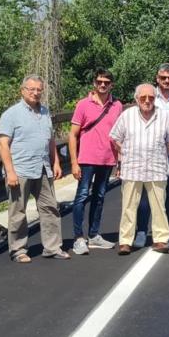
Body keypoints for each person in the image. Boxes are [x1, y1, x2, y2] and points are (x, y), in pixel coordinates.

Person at [0, 75, 70, 263]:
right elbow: (3, 144)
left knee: (50, 207)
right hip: (20, 169)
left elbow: (51, 140)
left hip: (43, 167)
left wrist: (55, 162)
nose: (36, 93)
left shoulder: (45, 113)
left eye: (39, 90)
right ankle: (18, 249)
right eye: (32, 89)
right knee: (18, 212)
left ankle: (53, 247)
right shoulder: (11, 115)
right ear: (23, 90)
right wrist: (10, 171)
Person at [109, 83, 169, 255]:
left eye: (151, 97)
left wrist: (159, 154)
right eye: (143, 98)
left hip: (156, 168)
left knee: (158, 207)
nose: (147, 101)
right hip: (132, 167)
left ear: (155, 98)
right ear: (136, 99)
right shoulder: (127, 116)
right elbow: (114, 138)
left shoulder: (164, 117)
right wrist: (125, 152)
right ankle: (126, 241)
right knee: (128, 206)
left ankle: (160, 239)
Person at [135, 63, 169, 248]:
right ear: (157, 78)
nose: (167, 81)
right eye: (163, 77)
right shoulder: (149, 97)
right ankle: (142, 231)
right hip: (150, 155)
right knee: (146, 196)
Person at [68, 68, 122, 255]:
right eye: (99, 81)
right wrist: (74, 163)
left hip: (107, 159)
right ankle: (78, 238)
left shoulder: (117, 106)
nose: (103, 85)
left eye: (106, 82)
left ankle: (94, 235)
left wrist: (119, 160)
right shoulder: (83, 105)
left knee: (99, 197)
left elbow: (119, 135)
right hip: (87, 158)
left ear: (111, 84)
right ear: (94, 83)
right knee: (82, 196)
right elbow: (73, 135)